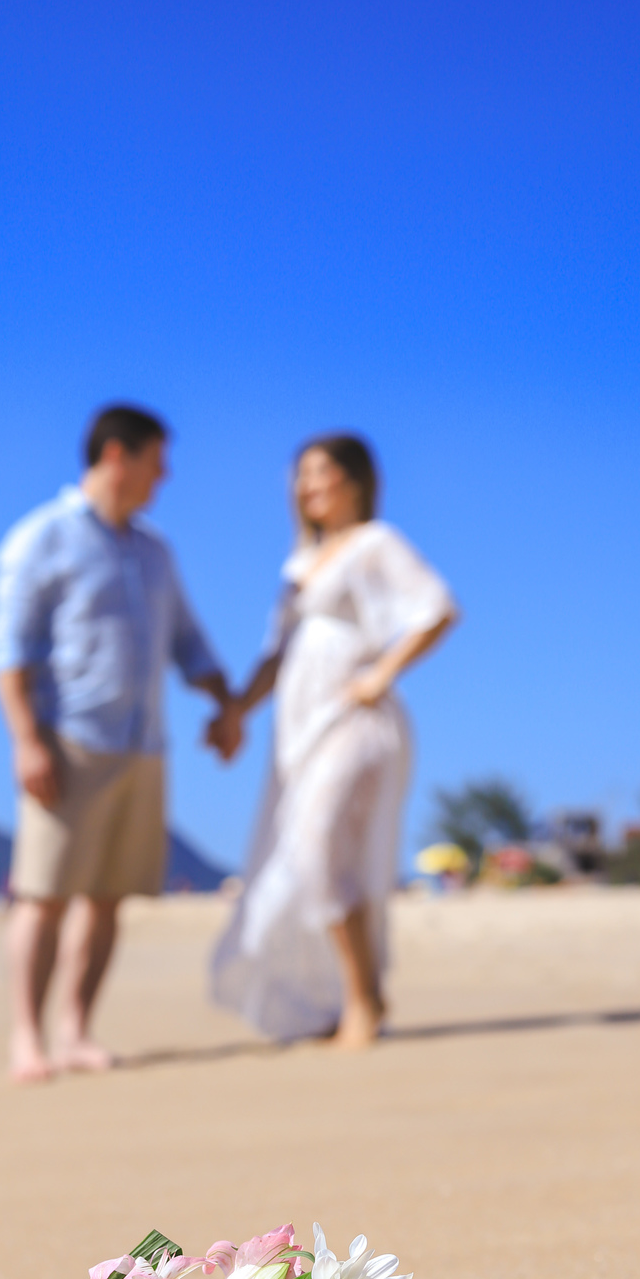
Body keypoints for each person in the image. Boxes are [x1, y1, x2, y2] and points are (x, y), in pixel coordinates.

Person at [0, 404, 233, 1080]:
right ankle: (26, 1039)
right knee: (44, 892)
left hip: (143, 743)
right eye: (159, 460)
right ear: (118, 455)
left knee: (109, 896)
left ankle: (76, 1031)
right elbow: (9, 650)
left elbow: (189, 641)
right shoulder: (43, 538)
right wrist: (25, 741)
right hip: (69, 740)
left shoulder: (155, 552)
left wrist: (225, 703)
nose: (166, 475)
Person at [208, 434, 456, 1048]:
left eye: (323, 472)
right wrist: (235, 708)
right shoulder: (296, 568)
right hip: (300, 728)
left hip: (355, 721)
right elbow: (276, 655)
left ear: (356, 479)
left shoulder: (377, 543)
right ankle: (355, 997)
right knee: (313, 854)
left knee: (320, 849)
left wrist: (382, 673)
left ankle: (364, 1000)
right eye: (301, 475)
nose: (310, 485)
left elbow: (438, 608)